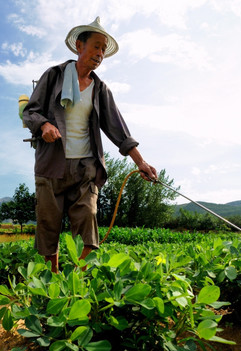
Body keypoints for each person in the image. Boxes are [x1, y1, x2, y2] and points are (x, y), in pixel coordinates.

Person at [22, 17, 157, 273]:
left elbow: (119, 129)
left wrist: (141, 162)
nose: (100, 54)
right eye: (96, 46)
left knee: (88, 222)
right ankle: (53, 283)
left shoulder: (100, 89)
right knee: (48, 228)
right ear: (79, 47)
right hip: (51, 166)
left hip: (85, 168)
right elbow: (30, 111)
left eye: (104, 49)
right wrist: (43, 126)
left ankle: (77, 281)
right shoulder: (54, 76)